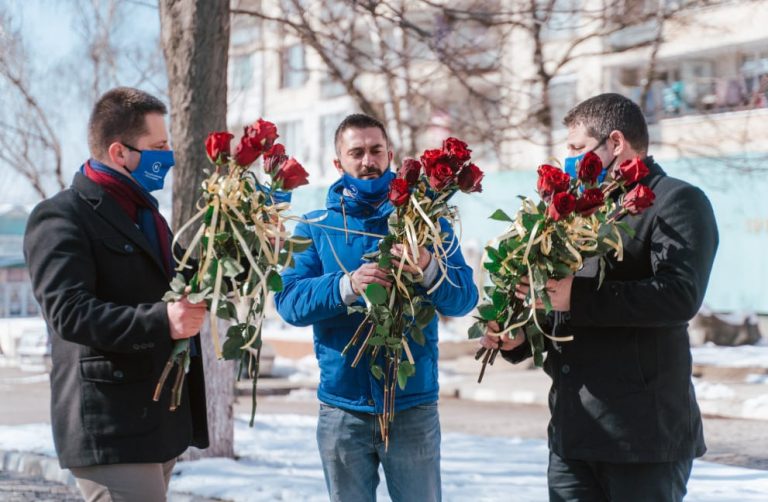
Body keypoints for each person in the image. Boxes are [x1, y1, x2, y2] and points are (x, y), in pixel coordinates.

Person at [480, 93, 719, 502]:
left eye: (576, 148)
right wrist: (521, 338)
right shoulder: (576, 212)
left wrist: (574, 297)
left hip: (643, 438)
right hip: (574, 432)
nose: (570, 160)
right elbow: (560, 309)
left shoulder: (677, 201)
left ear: (615, 142)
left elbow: (680, 295)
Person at [275, 113, 478, 502]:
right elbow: (288, 302)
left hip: (412, 406)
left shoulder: (427, 222)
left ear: (390, 154)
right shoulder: (315, 227)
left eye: (375, 151)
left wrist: (428, 268)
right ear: (338, 163)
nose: (368, 161)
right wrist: (346, 285)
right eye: (356, 153)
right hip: (342, 409)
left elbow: (465, 297)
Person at [23, 87, 209, 501]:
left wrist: (243, 249)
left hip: (155, 422)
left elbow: (191, 283)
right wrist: (163, 320)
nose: (170, 157)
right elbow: (69, 312)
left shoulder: (149, 217)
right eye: (159, 147)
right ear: (119, 152)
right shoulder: (61, 215)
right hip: (108, 424)